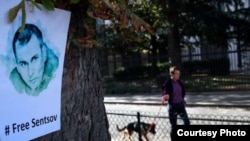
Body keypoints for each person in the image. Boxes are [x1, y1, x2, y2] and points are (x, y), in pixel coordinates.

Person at [9, 23, 59, 96]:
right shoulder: (11, 83)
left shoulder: (56, 72)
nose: (30, 73)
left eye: (34, 59)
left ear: (44, 54)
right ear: (17, 67)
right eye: (23, 64)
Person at [161, 66, 190, 141]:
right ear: (172, 74)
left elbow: (182, 92)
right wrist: (165, 96)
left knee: (187, 122)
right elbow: (164, 92)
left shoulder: (179, 82)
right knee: (174, 126)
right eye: (177, 74)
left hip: (180, 105)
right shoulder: (167, 83)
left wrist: (182, 100)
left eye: (179, 73)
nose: (178, 75)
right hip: (172, 106)